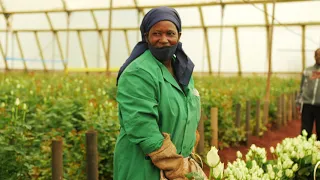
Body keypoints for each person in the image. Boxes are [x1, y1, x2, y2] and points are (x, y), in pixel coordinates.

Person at [113, 6, 205, 180]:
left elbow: (187, 114)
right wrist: (177, 167)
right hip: (144, 169)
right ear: (146, 37)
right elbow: (143, 127)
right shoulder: (138, 72)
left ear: (179, 36)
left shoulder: (183, 70)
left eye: (170, 33)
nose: (164, 40)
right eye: (157, 33)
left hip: (178, 166)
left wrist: (188, 151)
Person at [296, 48, 320, 141]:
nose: (319, 57)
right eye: (317, 55)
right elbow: (302, 87)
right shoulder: (308, 71)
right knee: (305, 131)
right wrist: (298, 102)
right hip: (307, 104)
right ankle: (305, 152)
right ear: (314, 57)